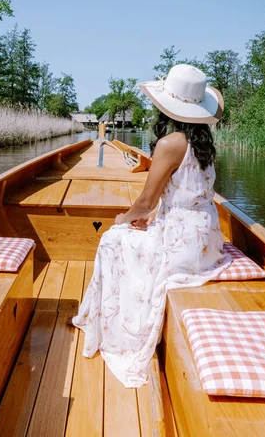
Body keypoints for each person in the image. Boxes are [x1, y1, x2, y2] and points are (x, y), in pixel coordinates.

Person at [70, 64, 232, 388]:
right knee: (131, 233)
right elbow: (182, 196)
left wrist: (122, 220)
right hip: (207, 236)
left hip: (182, 239)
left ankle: (106, 327)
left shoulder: (170, 143)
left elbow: (145, 200)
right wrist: (154, 217)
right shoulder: (204, 143)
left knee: (112, 240)